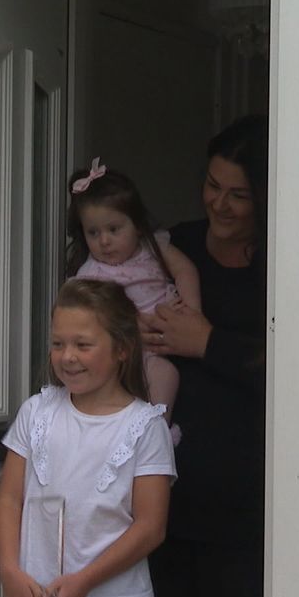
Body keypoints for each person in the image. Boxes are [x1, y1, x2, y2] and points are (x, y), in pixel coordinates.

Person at [0, 278, 177, 597]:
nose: (67, 357)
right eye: (58, 344)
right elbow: (9, 497)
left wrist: (84, 582)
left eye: (83, 344)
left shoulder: (144, 426)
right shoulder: (37, 412)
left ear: (122, 349)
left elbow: (151, 527)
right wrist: (10, 571)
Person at [141, 115, 268, 597]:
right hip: (173, 490)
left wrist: (207, 341)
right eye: (213, 185)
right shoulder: (177, 247)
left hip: (248, 503)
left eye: (238, 194)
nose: (220, 202)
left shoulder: (281, 264)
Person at [66, 157, 200, 422]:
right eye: (93, 233)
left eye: (114, 229)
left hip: (159, 349)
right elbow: (93, 316)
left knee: (165, 375)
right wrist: (134, 324)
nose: (104, 241)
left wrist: (192, 311)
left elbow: (186, 270)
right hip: (120, 354)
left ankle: (157, 433)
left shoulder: (154, 248)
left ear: (137, 225)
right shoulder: (92, 274)